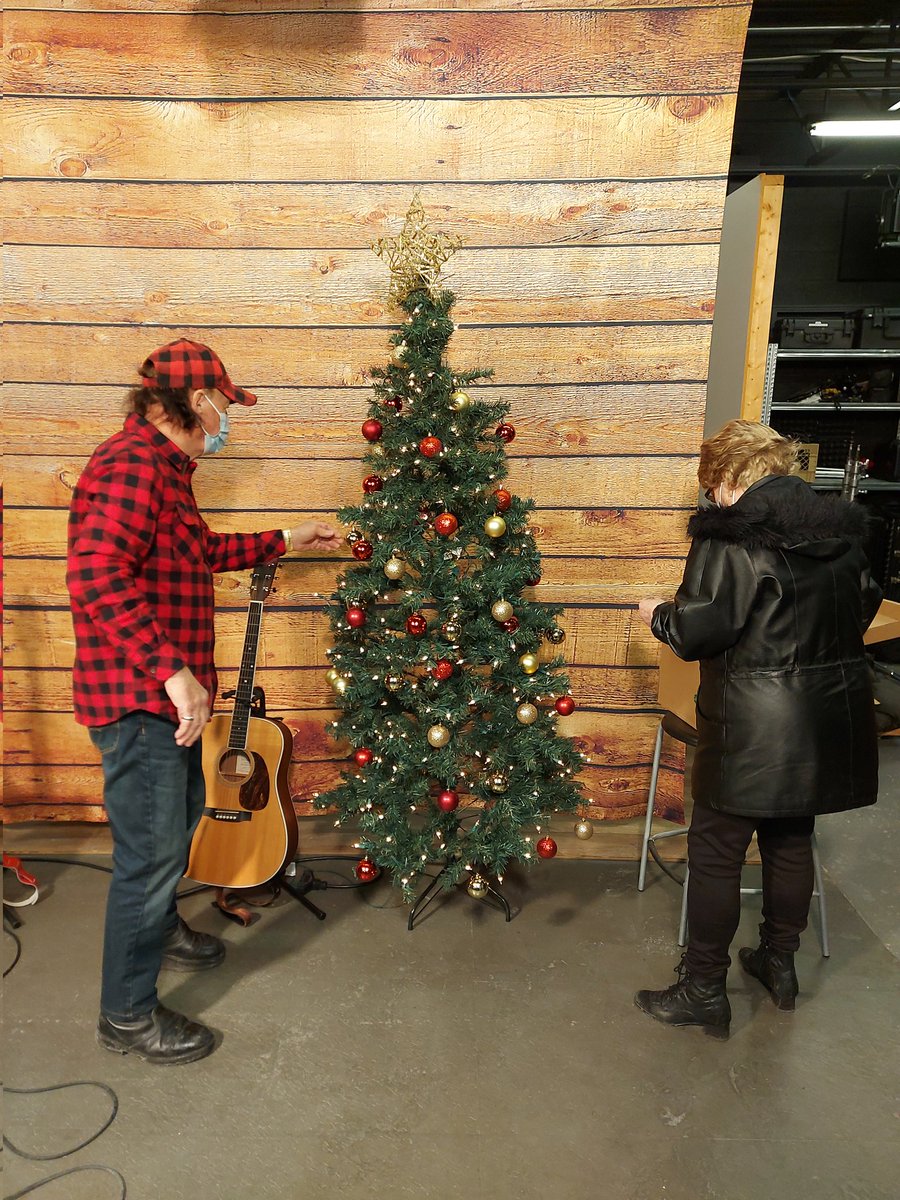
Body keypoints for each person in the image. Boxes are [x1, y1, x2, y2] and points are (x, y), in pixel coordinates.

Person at [67, 338, 341, 1065]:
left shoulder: (165, 472)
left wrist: (287, 537)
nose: (226, 416)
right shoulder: (129, 467)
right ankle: (126, 1016)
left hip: (164, 703)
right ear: (191, 401)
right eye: (221, 402)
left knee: (180, 819)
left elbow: (199, 554)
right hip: (140, 702)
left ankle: (161, 934)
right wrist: (172, 672)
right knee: (149, 858)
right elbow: (96, 577)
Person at [634, 420, 880, 1038]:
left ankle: (704, 991)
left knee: (716, 851)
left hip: (753, 725)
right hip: (824, 718)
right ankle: (779, 963)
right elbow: (865, 604)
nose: (712, 497)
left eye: (713, 485)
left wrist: (658, 615)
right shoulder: (843, 534)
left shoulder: (732, 537)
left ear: (730, 476)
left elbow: (698, 631)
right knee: (792, 839)